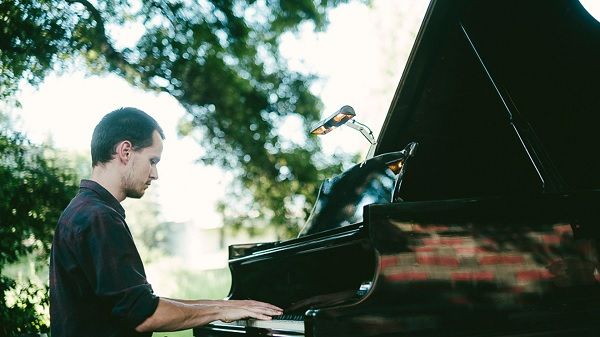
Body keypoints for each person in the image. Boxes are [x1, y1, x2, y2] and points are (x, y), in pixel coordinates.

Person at [49, 107, 283, 336]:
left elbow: (137, 302)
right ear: (126, 151)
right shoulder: (99, 217)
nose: (155, 174)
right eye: (153, 161)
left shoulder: (85, 210)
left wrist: (223, 305)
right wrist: (219, 310)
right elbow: (142, 314)